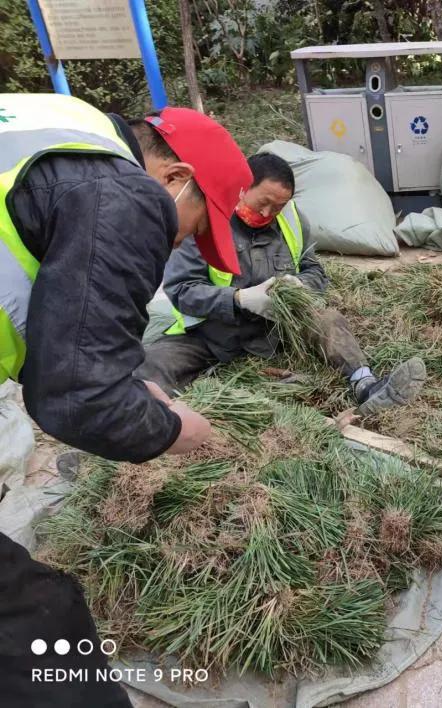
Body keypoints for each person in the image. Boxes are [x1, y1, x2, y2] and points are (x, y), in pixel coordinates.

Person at [0, 93, 251, 706]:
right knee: (42, 623)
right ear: (174, 179)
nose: (174, 247)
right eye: (189, 230)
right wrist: (173, 430)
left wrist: (118, 377)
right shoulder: (127, 193)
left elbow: (58, 331)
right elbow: (76, 399)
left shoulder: (62, 124)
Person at [138, 152, 426, 414]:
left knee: (327, 319)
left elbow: (315, 269)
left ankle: (367, 386)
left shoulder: (292, 220)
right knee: (152, 362)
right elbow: (181, 290)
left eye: (277, 207)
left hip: (275, 331)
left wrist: (300, 285)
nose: (267, 214)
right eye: (263, 203)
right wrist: (240, 299)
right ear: (242, 188)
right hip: (212, 335)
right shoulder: (205, 221)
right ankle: (153, 421)